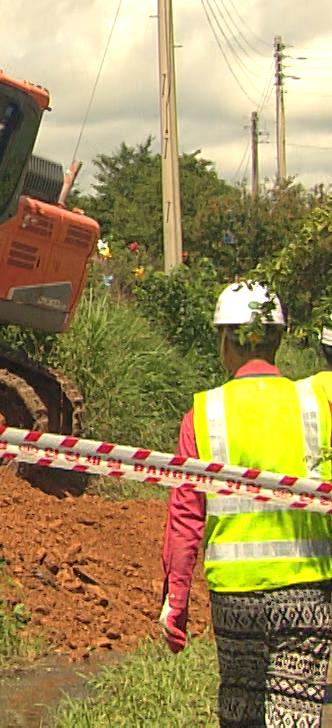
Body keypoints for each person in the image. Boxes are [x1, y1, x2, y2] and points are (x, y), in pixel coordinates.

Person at [161, 281, 332, 727]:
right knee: (297, 715)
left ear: (224, 341)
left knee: (241, 710)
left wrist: (176, 598)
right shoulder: (315, 403)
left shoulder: (203, 413)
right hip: (308, 590)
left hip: (235, 595)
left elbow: (186, 515)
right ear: (277, 339)